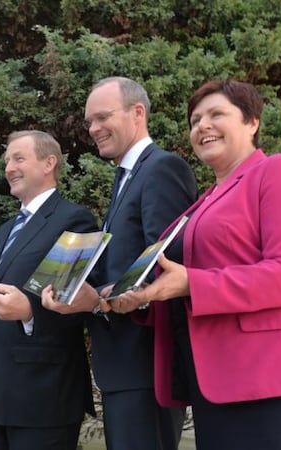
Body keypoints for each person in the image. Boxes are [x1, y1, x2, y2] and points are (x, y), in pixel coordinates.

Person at [108, 79, 281, 449]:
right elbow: (178, 283)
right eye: (194, 120)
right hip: (216, 387)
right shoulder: (202, 203)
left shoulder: (280, 171)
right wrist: (140, 297)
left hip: (280, 383)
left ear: (252, 121)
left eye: (216, 114)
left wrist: (193, 283)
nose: (202, 126)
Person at [43, 76, 197, 450]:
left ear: (137, 113)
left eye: (102, 117)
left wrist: (96, 300)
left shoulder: (161, 168)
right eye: (89, 121)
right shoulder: (127, 177)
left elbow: (162, 263)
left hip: (144, 364)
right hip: (124, 366)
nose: (93, 129)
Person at [0, 130, 97, 450]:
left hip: (44, 395)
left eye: (18, 158)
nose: (8, 168)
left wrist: (30, 311)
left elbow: (80, 298)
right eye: (6, 161)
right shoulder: (2, 233)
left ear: (49, 163)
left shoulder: (75, 220)